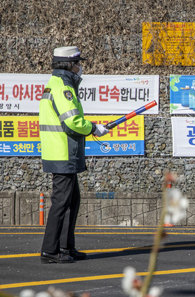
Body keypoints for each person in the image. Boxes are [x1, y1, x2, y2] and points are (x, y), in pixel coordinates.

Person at [39, 46, 109, 264]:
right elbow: (71, 121)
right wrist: (93, 128)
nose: (80, 67)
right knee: (62, 203)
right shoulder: (62, 87)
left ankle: (65, 247)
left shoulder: (60, 84)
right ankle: (50, 251)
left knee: (71, 202)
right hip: (62, 153)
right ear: (68, 64)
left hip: (62, 151)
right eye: (78, 63)